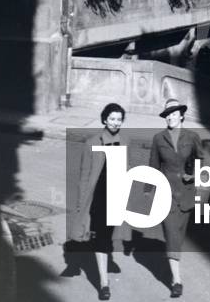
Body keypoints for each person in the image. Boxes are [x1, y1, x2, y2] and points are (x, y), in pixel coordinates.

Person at [70, 102, 132, 300]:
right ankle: (104, 284)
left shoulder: (126, 141)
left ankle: (105, 264)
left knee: (110, 235)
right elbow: (84, 175)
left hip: (117, 197)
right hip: (97, 199)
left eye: (119, 119)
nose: (115, 123)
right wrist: (81, 204)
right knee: (102, 239)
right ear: (105, 119)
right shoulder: (91, 143)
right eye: (112, 119)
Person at [148, 97, 205, 299]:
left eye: (173, 113)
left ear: (181, 115)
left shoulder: (192, 137)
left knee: (178, 236)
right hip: (166, 193)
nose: (170, 117)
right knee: (172, 234)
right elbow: (153, 167)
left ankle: (174, 261)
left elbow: (201, 160)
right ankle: (176, 281)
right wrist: (149, 194)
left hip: (187, 193)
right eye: (167, 114)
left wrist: (195, 175)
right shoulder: (158, 139)